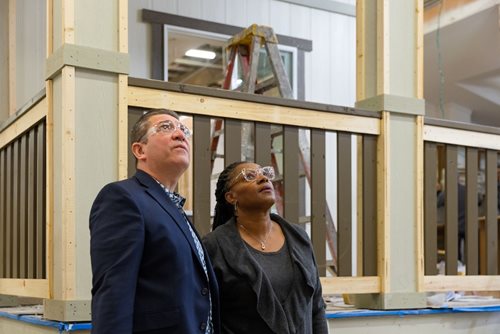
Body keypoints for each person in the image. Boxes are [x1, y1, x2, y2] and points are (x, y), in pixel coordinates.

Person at [89, 109, 220, 334]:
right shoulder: (123, 198)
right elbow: (113, 293)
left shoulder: (176, 210)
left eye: (183, 129)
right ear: (140, 150)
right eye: (166, 127)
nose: (180, 134)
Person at [202, 161, 328, 334]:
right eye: (250, 176)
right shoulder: (214, 246)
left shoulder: (299, 238)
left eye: (265, 173)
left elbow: (316, 306)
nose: (263, 179)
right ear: (231, 197)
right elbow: (207, 315)